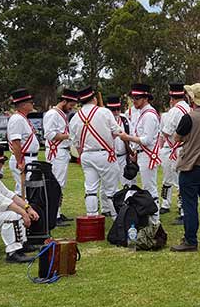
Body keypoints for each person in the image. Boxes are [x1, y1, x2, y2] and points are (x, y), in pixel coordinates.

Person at [170, 83, 200, 252]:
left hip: (190, 166)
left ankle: (190, 240)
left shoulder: (189, 117)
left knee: (190, 205)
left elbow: (176, 138)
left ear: (191, 98)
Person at [70, 86, 121, 218]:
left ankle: (92, 217)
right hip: (105, 154)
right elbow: (117, 132)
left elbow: (76, 144)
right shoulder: (104, 112)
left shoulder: (75, 118)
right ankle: (117, 218)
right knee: (112, 189)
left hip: (86, 155)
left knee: (91, 189)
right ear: (94, 99)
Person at [119, 83, 162, 224]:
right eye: (133, 98)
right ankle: (150, 220)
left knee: (150, 188)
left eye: (137, 98)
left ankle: (154, 221)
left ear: (145, 98)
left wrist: (128, 138)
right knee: (147, 188)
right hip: (142, 154)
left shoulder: (149, 115)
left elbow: (147, 139)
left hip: (148, 155)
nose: (134, 101)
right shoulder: (143, 114)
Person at [43, 88, 77, 226]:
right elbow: (50, 135)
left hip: (62, 151)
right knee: (56, 184)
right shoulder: (53, 114)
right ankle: (54, 216)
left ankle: (57, 212)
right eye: (70, 104)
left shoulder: (60, 114)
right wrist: (70, 136)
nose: (71, 107)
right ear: (64, 101)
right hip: (56, 152)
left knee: (60, 184)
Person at [159, 82, 191, 220]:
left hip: (173, 149)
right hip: (186, 148)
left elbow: (166, 131)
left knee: (172, 180)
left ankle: (171, 205)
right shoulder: (189, 109)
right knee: (181, 179)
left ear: (171, 97)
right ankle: (178, 206)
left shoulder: (174, 111)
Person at [6, 88, 40, 196]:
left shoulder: (22, 118)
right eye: (30, 102)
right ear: (23, 104)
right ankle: (21, 212)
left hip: (28, 157)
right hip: (24, 158)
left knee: (25, 189)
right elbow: (16, 142)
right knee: (25, 190)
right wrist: (20, 161)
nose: (32, 104)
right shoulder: (17, 119)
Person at [105, 96, 134, 190]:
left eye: (118, 109)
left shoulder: (124, 120)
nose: (116, 112)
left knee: (126, 183)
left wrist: (132, 151)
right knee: (110, 185)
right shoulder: (104, 120)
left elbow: (132, 134)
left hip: (123, 157)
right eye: (113, 110)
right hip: (109, 157)